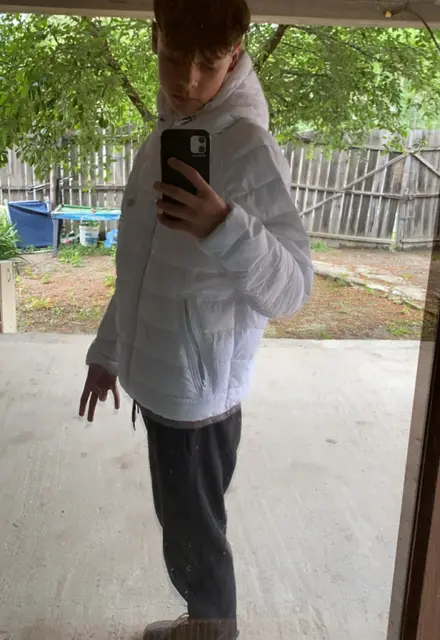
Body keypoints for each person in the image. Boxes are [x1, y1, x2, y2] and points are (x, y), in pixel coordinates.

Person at [79, 0, 314, 638]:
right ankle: (204, 625)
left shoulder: (246, 147)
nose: (187, 79)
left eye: (208, 64)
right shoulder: (166, 135)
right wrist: (108, 353)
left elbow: (293, 289)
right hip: (162, 382)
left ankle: (212, 632)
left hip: (197, 396)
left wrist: (223, 226)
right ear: (154, 38)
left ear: (234, 57)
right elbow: (140, 269)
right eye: (176, 57)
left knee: (195, 542)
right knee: (184, 526)